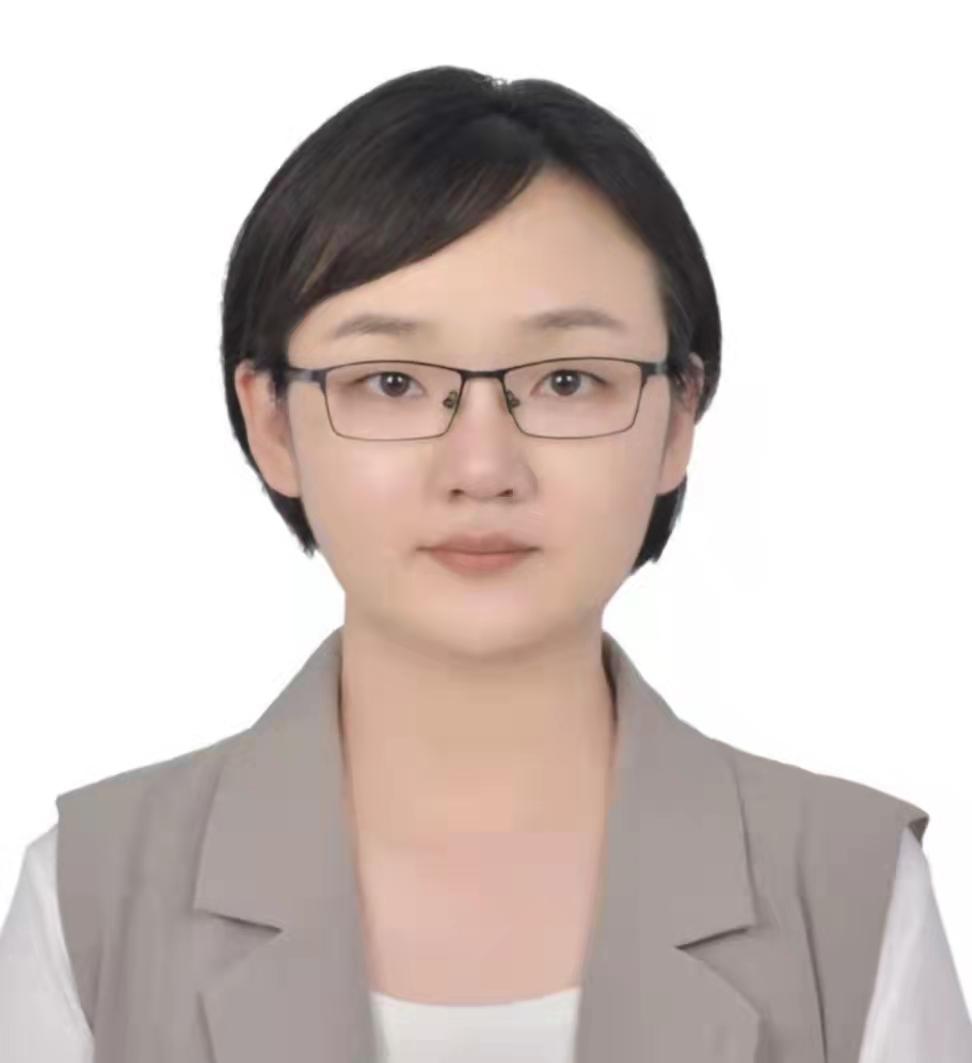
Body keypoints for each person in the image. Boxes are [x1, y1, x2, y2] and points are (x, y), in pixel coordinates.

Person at [1, 64, 969, 1062]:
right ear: (272, 421)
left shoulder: (853, 895)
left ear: (679, 416)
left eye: (566, 380)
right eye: (390, 381)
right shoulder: (91, 897)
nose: (482, 468)